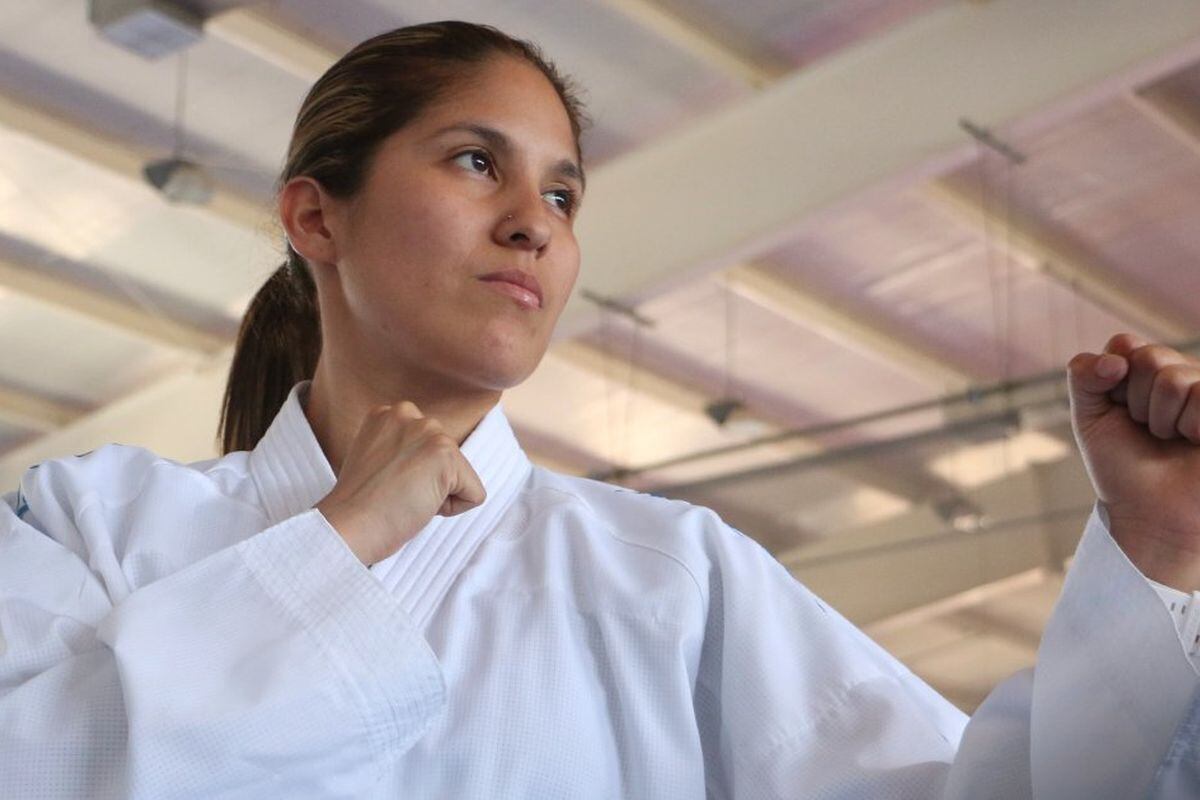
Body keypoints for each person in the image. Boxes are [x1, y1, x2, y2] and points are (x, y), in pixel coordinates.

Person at [0, 19, 1197, 800]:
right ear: (317, 218)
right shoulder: (89, 517)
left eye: (563, 192)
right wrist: (344, 538)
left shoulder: (675, 573)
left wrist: (1157, 551)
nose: (536, 221)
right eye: (477, 161)